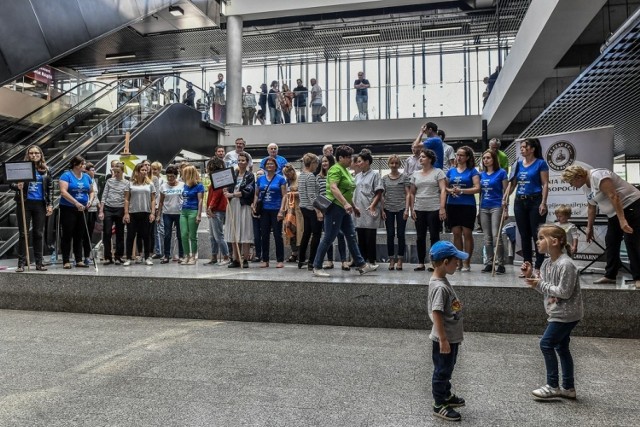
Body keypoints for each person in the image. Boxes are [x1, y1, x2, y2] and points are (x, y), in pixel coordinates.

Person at [522, 224, 583, 400]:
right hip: (557, 312)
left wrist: (538, 283)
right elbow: (546, 289)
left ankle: (552, 385)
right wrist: (530, 277)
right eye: (538, 238)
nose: (537, 241)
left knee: (546, 344)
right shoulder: (547, 263)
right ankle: (569, 388)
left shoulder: (566, 264)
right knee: (562, 347)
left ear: (554, 241)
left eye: (541, 238)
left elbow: (564, 292)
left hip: (566, 314)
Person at [562, 165, 640, 288]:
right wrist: (589, 227)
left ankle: (638, 277)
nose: (572, 186)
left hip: (631, 207)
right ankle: (610, 275)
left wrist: (623, 221)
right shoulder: (586, 187)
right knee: (611, 241)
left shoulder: (598, 176)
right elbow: (591, 207)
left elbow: (614, 196)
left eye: (571, 182)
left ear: (579, 176)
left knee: (632, 242)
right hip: (614, 214)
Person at [311, 145, 379, 277]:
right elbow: (334, 188)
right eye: (348, 157)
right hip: (335, 207)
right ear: (340, 157)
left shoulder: (345, 170)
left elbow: (347, 191)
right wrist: (346, 203)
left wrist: (353, 206)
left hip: (343, 208)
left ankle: (361, 264)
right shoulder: (335, 169)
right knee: (329, 237)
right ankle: (317, 266)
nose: (350, 160)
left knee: (351, 236)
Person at [427, 240, 468, 422]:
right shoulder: (440, 287)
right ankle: (439, 403)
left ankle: (446, 394)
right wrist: (443, 339)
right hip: (444, 338)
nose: (457, 264)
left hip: (450, 337)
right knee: (442, 370)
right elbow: (436, 313)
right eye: (455, 261)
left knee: (448, 368)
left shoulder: (442, 280)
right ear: (445, 262)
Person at [503, 138, 549, 275]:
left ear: (532, 149)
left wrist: (543, 202)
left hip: (535, 200)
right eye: (521, 147)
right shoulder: (517, 164)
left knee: (537, 234)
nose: (522, 149)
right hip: (519, 201)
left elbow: (545, 184)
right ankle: (527, 265)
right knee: (524, 235)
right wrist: (506, 198)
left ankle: (538, 267)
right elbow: (512, 184)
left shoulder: (541, 163)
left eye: (524, 147)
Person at [11, 145, 53, 272]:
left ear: (40, 155)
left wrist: (50, 204)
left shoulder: (46, 169)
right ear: (28, 155)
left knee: (38, 233)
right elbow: (10, 184)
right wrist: (16, 186)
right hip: (24, 203)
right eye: (31, 153)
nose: (34, 155)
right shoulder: (22, 168)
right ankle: (21, 263)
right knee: (23, 233)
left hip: (39, 204)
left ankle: (39, 263)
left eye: (36, 153)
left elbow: (50, 187)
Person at [409, 148, 447, 272]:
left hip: (434, 208)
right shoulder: (415, 174)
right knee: (420, 237)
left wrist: (442, 208)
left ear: (430, 159)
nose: (420, 158)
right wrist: (412, 208)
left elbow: (443, 190)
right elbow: (412, 193)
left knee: (434, 236)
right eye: (420, 157)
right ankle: (421, 262)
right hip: (419, 208)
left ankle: (434, 262)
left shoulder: (438, 172)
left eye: (423, 157)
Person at [445, 146, 480, 271]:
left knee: (467, 233)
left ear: (467, 157)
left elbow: (477, 188)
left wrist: (462, 191)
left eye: (461, 155)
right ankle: (458, 261)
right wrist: (451, 191)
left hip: (468, 205)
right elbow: (445, 187)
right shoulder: (451, 171)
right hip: (452, 205)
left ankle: (467, 262)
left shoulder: (472, 171)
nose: (458, 157)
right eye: (457, 155)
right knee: (456, 233)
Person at [59, 155, 94, 269]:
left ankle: (78, 259)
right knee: (68, 234)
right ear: (75, 164)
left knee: (80, 234)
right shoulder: (66, 175)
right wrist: (75, 203)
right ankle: (66, 260)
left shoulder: (87, 177)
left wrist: (90, 200)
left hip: (83, 209)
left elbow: (91, 191)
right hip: (68, 208)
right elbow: (63, 192)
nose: (84, 166)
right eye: (82, 164)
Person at [253, 157, 287, 268]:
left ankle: (280, 259)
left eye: (272, 164)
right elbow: (257, 194)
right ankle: (265, 259)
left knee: (278, 235)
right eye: (268, 164)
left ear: (276, 166)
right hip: (264, 210)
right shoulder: (260, 179)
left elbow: (284, 195)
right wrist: (254, 205)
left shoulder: (281, 179)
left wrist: (282, 210)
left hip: (276, 209)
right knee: (264, 235)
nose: (269, 165)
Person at [479, 150, 508, 274]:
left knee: (496, 235)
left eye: (488, 158)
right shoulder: (481, 174)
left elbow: (506, 192)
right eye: (484, 158)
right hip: (484, 207)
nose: (486, 160)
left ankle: (501, 264)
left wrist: (505, 209)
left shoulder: (501, 173)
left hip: (497, 206)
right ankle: (489, 263)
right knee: (487, 238)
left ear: (494, 159)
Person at [316, 154, 348, 270]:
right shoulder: (318, 177)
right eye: (323, 161)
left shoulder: (336, 174)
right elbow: (318, 195)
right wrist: (319, 211)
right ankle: (329, 261)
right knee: (328, 236)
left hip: (337, 207)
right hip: (325, 209)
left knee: (340, 234)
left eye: (326, 161)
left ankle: (344, 261)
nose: (324, 163)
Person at [224, 152, 255, 268]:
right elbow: (227, 187)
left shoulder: (250, 176)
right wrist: (226, 191)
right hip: (232, 205)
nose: (241, 162)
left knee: (245, 231)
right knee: (234, 231)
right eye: (239, 160)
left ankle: (245, 259)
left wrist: (232, 195)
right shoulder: (233, 174)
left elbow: (248, 191)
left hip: (244, 205)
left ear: (247, 162)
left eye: (243, 160)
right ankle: (235, 259)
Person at [353, 151, 383, 265]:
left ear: (367, 162)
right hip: (359, 209)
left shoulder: (375, 174)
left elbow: (379, 192)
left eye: (360, 161)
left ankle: (372, 261)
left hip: (370, 209)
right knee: (360, 236)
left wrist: (373, 205)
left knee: (370, 237)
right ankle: (362, 261)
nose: (357, 164)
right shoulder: (357, 176)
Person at [123, 162, 156, 266]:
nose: (145, 172)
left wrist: (153, 213)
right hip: (133, 213)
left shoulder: (150, 184)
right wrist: (126, 213)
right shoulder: (130, 183)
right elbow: (127, 199)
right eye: (142, 170)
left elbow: (153, 200)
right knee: (130, 236)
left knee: (146, 236)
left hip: (146, 212)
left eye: (146, 170)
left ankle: (147, 257)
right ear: (137, 172)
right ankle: (128, 258)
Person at [382, 155, 410, 271]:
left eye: (396, 163)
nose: (394, 165)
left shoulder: (404, 177)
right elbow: (382, 195)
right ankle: (391, 259)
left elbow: (408, 193)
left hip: (401, 208)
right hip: (388, 208)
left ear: (399, 165)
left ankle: (400, 259)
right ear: (389, 164)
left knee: (401, 234)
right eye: (392, 163)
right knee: (390, 234)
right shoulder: (384, 178)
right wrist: (382, 210)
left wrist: (407, 209)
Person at [99, 162, 127, 265]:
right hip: (108, 208)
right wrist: (101, 210)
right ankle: (107, 256)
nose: (116, 174)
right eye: (114, 172)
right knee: (107, 233)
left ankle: (118, 256)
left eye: (118, 172)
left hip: (120, 208)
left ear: (122, 171)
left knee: (120, 233)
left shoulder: (126, 183)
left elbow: (126, 198)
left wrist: (126, 212)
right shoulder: (109, 181)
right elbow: (104, 195)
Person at [297, 153, 321, 270]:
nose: (317, 166)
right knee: (316, 234)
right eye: (316, 163)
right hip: (311, 208)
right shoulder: (310, 176)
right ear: (312, 163)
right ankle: (312, 261)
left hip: (303, 207)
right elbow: (312, 195)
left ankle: (301, 259)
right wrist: (318, 211)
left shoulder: (301, 175)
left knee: (306, 234)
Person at [157, 165, 185, 264]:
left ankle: (182, 255)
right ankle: (166, 255)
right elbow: (161, 201)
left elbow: (185, 198)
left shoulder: (182, 185)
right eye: (168, 176)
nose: (170, 178)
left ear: (176, 176)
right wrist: (158, 215)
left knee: (180, 235)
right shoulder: (163, 186)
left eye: (172, 176)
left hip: (179, 213)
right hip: (167, 213)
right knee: (167, 235)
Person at [206, 157, 230, 266]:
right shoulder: (215, 180)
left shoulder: (218, 181)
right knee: (212, 236)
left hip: (217, 210)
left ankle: (226, 256)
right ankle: (214, 256)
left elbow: (216, 195)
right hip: (214, 210)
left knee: (218, 235)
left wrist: (210, 207)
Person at [179, 165, 205, 265]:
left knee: (193, 235)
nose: (182, 175)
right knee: (184, 234)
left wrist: (199, 215)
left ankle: (193, 256)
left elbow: (200, 200)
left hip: (193, 211)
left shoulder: (199, 185)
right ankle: (186, 255)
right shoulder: (185, 185)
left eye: (184, 173)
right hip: (183, 211)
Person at [282, 164, 303, 262]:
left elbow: (304, 192)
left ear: (292, 171)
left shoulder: (300, 178)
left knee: (300, 230)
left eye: (288, 174)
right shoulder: (286, 181)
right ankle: (294, 252)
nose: (287, 176)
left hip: (299, 209)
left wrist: (293, 193)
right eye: (285, 175)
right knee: (289, 229)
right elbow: (285, 195)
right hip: (289, 209)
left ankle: (301, 253)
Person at [81, 162, 99, 266]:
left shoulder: (93, 181)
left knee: (89, 234)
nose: (94, 172)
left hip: (93, 210)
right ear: (86, 171)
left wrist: (99, 207)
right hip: (84, 209)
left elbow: (95, 195)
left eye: (94, 169)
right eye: (92, 170)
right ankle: (78, 256)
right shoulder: (84, 179)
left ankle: (87, 256)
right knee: (82, 233)